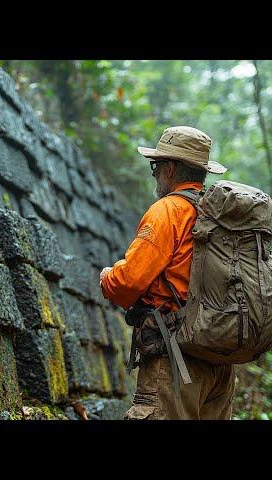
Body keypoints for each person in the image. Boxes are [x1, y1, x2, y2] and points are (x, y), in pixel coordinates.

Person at [99, 125, 235, 420]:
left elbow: (129, 281)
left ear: (170, 168)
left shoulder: (168, 211)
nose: (154, 173)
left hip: (174, 358)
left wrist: (107, 276)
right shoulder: (219, 215)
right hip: (219, 363)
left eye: (156, 166)